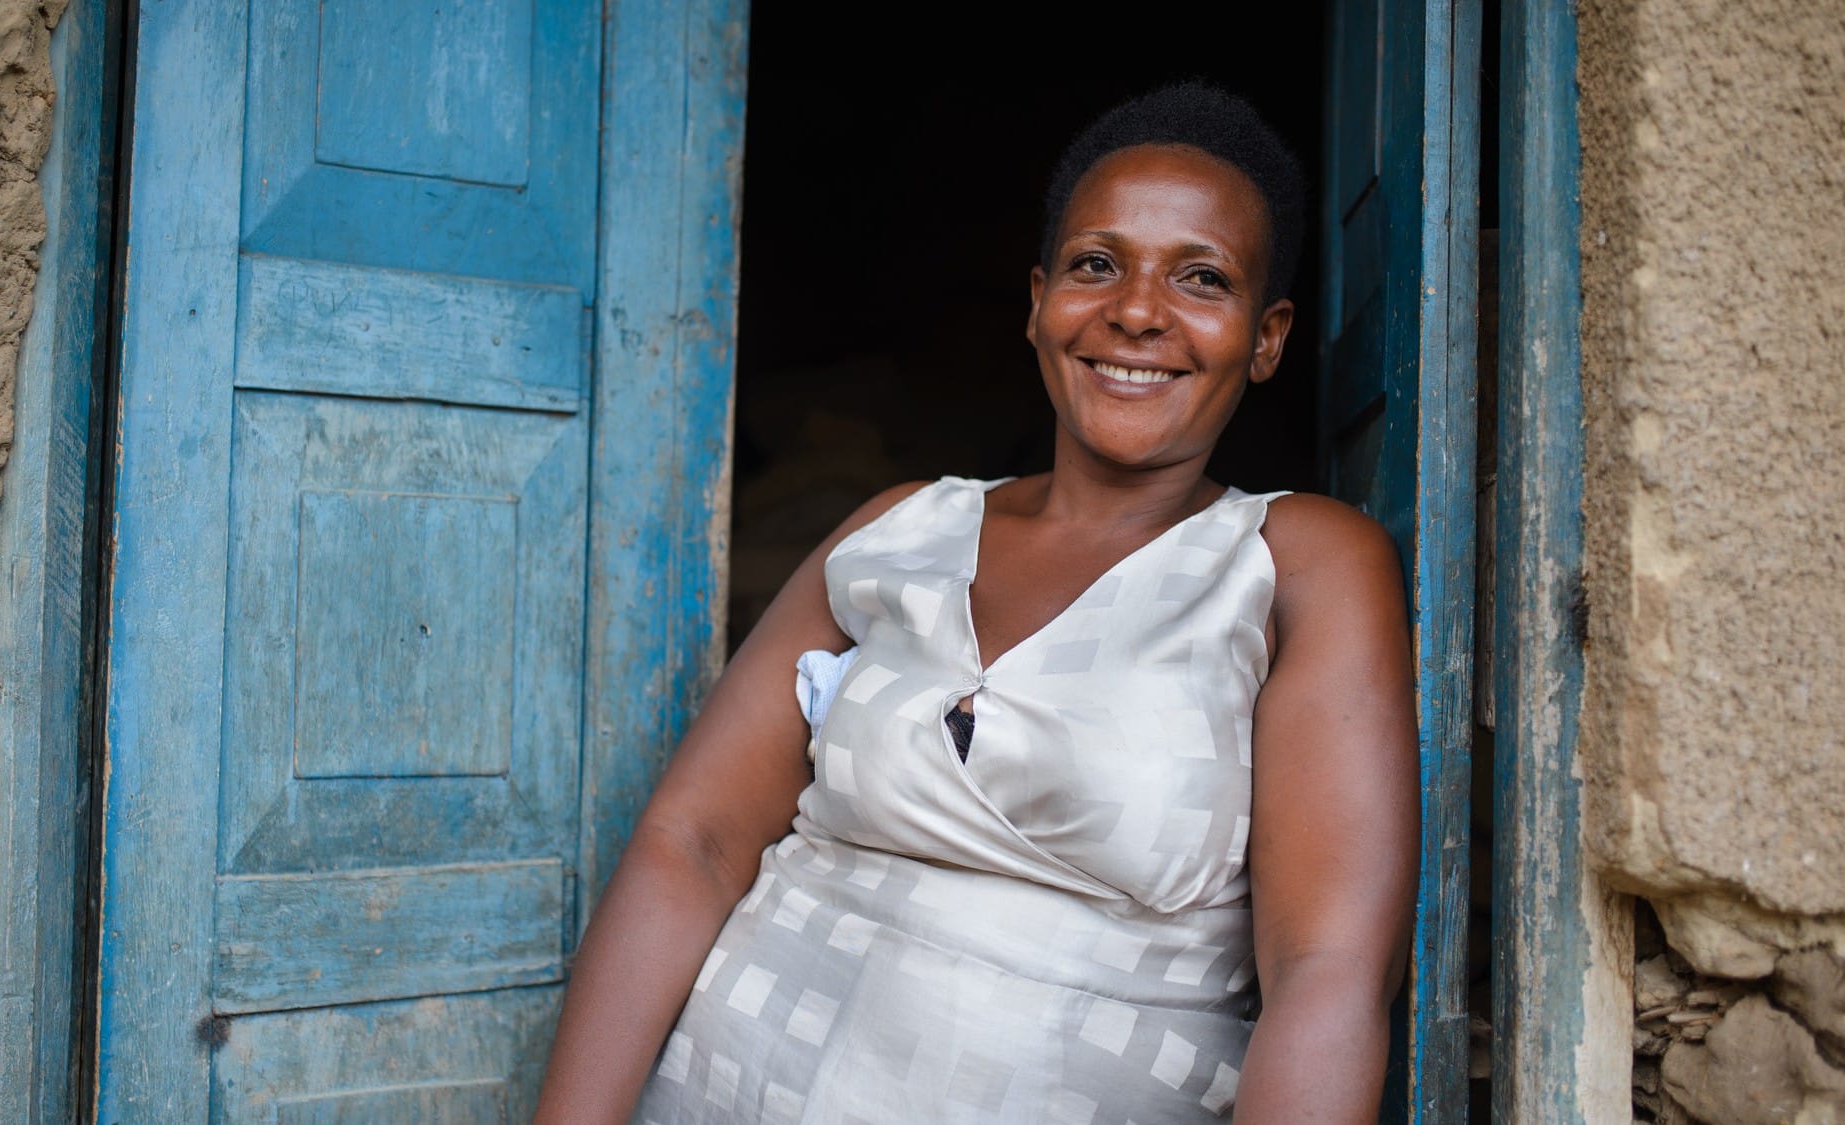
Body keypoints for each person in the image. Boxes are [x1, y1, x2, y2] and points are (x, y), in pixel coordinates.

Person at [535, 82, 1418, 1124]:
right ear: (1039, 301)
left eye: (1200, 278)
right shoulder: (898, 527)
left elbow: (1324, 973)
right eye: (1096, 265)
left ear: (1264, 339)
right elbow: (694, 842)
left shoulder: (1292, 567)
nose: (1135, 310)